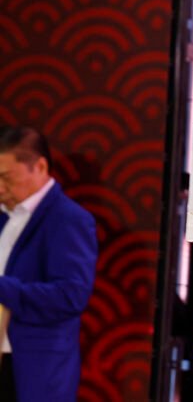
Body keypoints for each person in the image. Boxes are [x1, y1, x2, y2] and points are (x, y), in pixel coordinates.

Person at [0, 126, 97, 402]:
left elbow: (71, 296)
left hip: (32, 368)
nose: (0, 188)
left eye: (6, 178)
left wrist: (4, 289)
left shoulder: (69, 219)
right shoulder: (4, 215)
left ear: (40, 167)